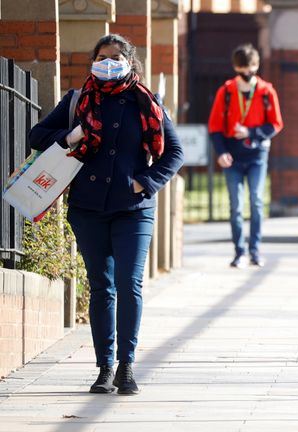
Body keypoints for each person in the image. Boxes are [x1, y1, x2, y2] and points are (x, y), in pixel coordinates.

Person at [28, 34, 184, 395]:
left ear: (130, 62)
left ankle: (126, 366)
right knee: (102, 288)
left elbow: (173, 153)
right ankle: (104, 367)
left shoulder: (148, 102)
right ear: (93, 60)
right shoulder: (77, 100)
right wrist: (71, 135)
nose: (109, 63)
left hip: (134, 209)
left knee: (129, 284)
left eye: (116, 57)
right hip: (88, 208)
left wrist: (144, 182)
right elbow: (38, 135)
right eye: (102, 57)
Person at [208, 43, 284, 268]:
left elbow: (276, 123)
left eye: (251, 69)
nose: (247, 74)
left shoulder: (266, 91)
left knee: (257, 201)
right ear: (235, 67)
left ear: (257, 66)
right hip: (232, 154)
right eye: (242, 70)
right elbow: (214, 126)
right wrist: (221, 152)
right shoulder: (227, 91)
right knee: (236, 205)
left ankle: (255, 250)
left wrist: (251, 132)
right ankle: (239, 251)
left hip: (257, 153)